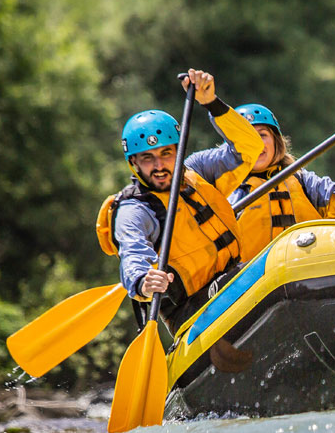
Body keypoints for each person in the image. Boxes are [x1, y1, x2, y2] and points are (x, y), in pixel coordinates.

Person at [96, 69, 263, 334]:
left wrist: (211, 102)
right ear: (133, 163)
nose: (159, 165)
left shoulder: (198, 171)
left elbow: (249, 148)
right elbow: (133, 254)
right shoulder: (134, 210)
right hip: (194, 312)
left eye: (166, 153)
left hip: (236, 278)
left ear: (179, 151)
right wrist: (143, 281)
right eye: (147, 158)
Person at [228, 103, 335, 261]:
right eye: (248, 136)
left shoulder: (305, 183)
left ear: (276, 141)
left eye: (263, 135)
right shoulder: (227, 194)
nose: (257, 143)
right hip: (257, 283)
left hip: (309, 276)